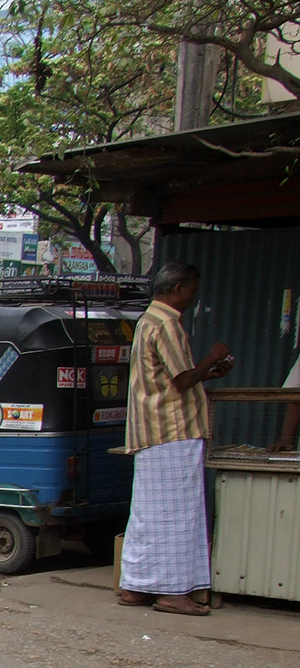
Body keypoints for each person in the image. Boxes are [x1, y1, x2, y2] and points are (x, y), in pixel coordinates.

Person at [117, 262, 234, 617]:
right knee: (178, 514)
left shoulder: (146, 321)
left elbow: (171, 378)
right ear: (179, 288)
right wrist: (211, 359)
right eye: (192, 289)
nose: (193, 296)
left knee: (147, 514)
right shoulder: (167, 324)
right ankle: (171, 593)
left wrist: (208, 371)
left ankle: (135, 586)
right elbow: (182, 381)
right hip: (173, 430)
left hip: (150, 430)